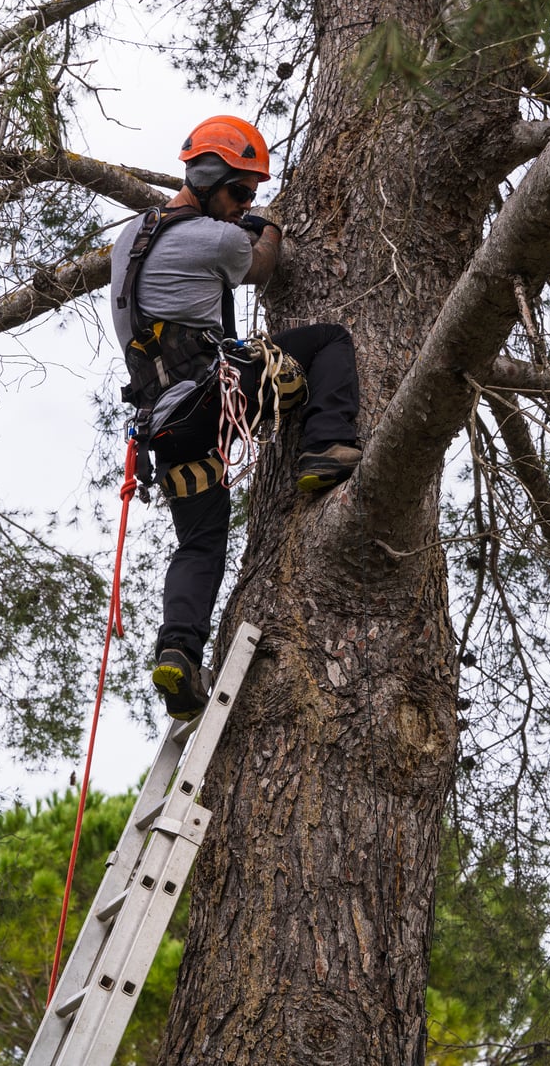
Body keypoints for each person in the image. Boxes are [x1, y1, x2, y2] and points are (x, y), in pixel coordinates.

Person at [109, 115, 360, 722]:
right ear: (209, 175)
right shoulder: (220, 240)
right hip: (206, 399)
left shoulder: (128, 239)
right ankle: (327, 445)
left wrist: (237, 215)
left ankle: (178, 652)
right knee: (329, 341)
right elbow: (265, 265)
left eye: (250, 194)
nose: (243, 203)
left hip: (160, 427)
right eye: (240, 191)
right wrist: (267, 223)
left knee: (200, 541)